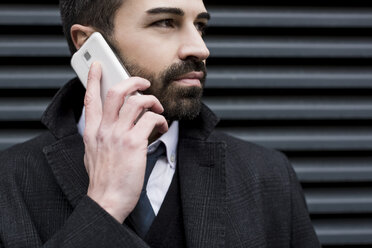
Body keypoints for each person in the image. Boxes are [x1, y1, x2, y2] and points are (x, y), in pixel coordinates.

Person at [0, 0, 321, 247]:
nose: (200, 48)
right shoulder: (9, 182)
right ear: (88, 45)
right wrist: (104, 206)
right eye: (166, 22)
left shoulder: (267, 174)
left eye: (200, 25)